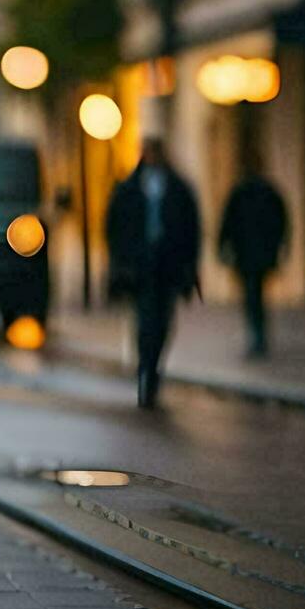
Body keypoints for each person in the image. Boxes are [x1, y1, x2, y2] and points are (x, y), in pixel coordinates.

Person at [106, 136, 201, 409]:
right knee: (145, 322)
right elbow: (116, 228)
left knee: (163, 323)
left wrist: (188, 267)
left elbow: (190, 231)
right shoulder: (129, 189)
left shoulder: (178, 189)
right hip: (140, 270)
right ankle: (145, 370)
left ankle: (153, 368)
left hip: (168, 269)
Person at [218, 150, 288, 358]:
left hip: (251, 253)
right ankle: (258, 333)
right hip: (253, 253)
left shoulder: (250, 193)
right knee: (254, 294)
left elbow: (280, 222)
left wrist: (223, 246)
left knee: (253, 294)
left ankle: (257, 333)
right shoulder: (257, 193)